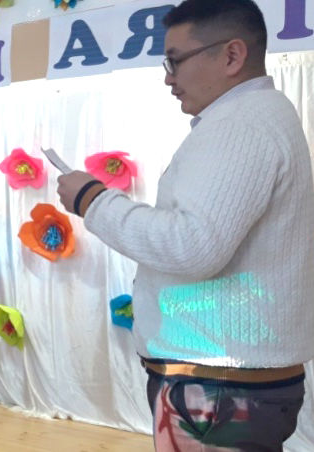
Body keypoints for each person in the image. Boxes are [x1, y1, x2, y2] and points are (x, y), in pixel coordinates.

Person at [55, 1, 313, 449]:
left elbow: (192, 246)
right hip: (225, 382)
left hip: (218, 388)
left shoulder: (242, 124)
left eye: (175, 60)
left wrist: (92, 200)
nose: (168, 78)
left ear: (232, 55)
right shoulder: (253, 117)